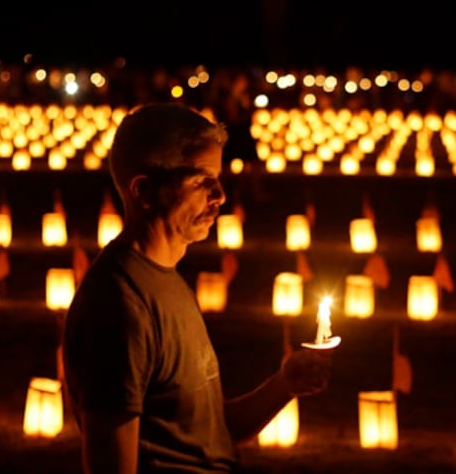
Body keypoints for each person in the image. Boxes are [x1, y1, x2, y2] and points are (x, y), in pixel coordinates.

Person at [62, 102, 334, 473]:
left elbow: (205, 435)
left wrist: (285, 384)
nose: (220, 194)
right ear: (144, 191)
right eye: (201, 180)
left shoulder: (167, 280)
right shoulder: (119, 305)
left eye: (218, 178)